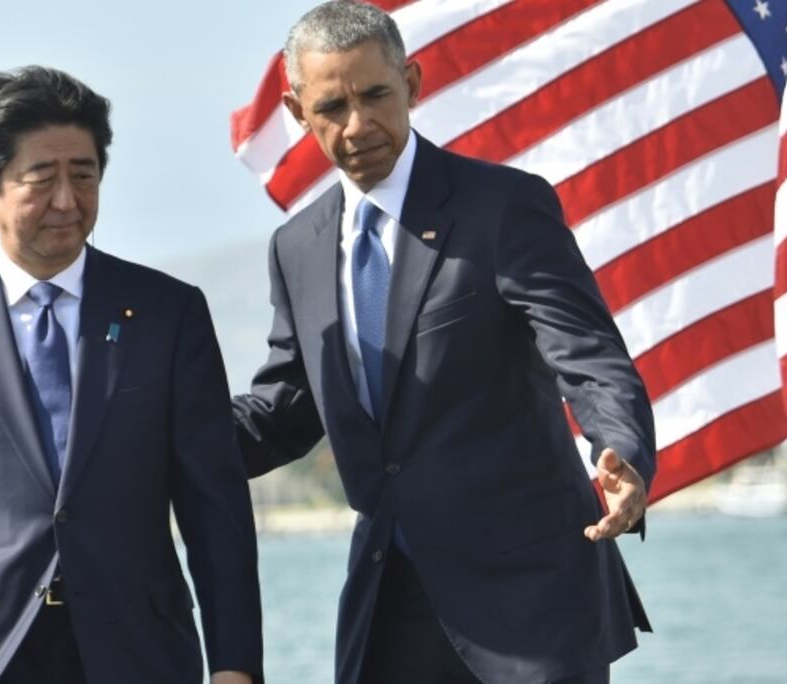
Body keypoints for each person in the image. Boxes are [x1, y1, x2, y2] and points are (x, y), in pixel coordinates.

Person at [232, 2, 655, 683]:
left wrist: (623, 452)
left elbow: (589, 356)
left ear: (414, 83)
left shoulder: (503, 208)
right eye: (332, 106)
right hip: (389, 614)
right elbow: (284, 411)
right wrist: (154, 438)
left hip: (533, 609)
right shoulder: (296, 248)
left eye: (376, 95)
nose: (358, 124)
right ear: (297, 110)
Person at [0, 66, 262, 684]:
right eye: (42, 179)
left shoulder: (168, 313)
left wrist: (235, 665)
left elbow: (215, 507)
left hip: (140, 652)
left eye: (84, 176)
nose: (67, 201)